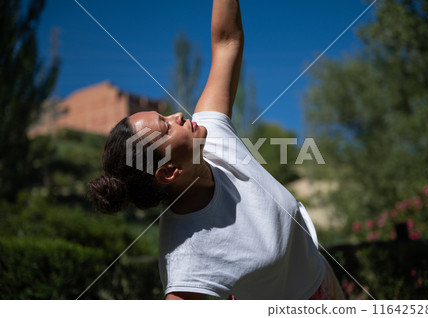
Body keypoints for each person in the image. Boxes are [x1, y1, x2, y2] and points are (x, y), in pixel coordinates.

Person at [89, 0, 344, 300]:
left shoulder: (212, 135)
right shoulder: (187, 262)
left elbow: (227, 40)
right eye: (166, 127)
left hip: (327, 281)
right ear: (169, 171)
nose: (178, 117)